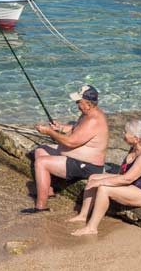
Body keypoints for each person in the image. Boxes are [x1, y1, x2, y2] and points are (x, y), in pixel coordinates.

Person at [22, 85, 109, 214]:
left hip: (87, 166)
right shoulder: (87, 113)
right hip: (75, 160)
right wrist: (61, 127)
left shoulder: (94, 120)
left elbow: (71, 142)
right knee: (40, 151)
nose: (77, 104)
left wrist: (50, 132)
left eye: (79, 102)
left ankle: (41, 206)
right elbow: (77, 129)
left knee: (41, 163)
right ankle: (48, 192)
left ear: (88, 104)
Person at [69, 118, 141, 236]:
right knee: (93, 177)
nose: (123, 134)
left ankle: (92, 228)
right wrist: (99, 180)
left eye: (125, 132)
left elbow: (127, 179)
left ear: (136, 138)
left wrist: (101, 182)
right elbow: (122, 174)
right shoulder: (136, 145)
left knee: (104, 189)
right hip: (131, 182)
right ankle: (83, 215)